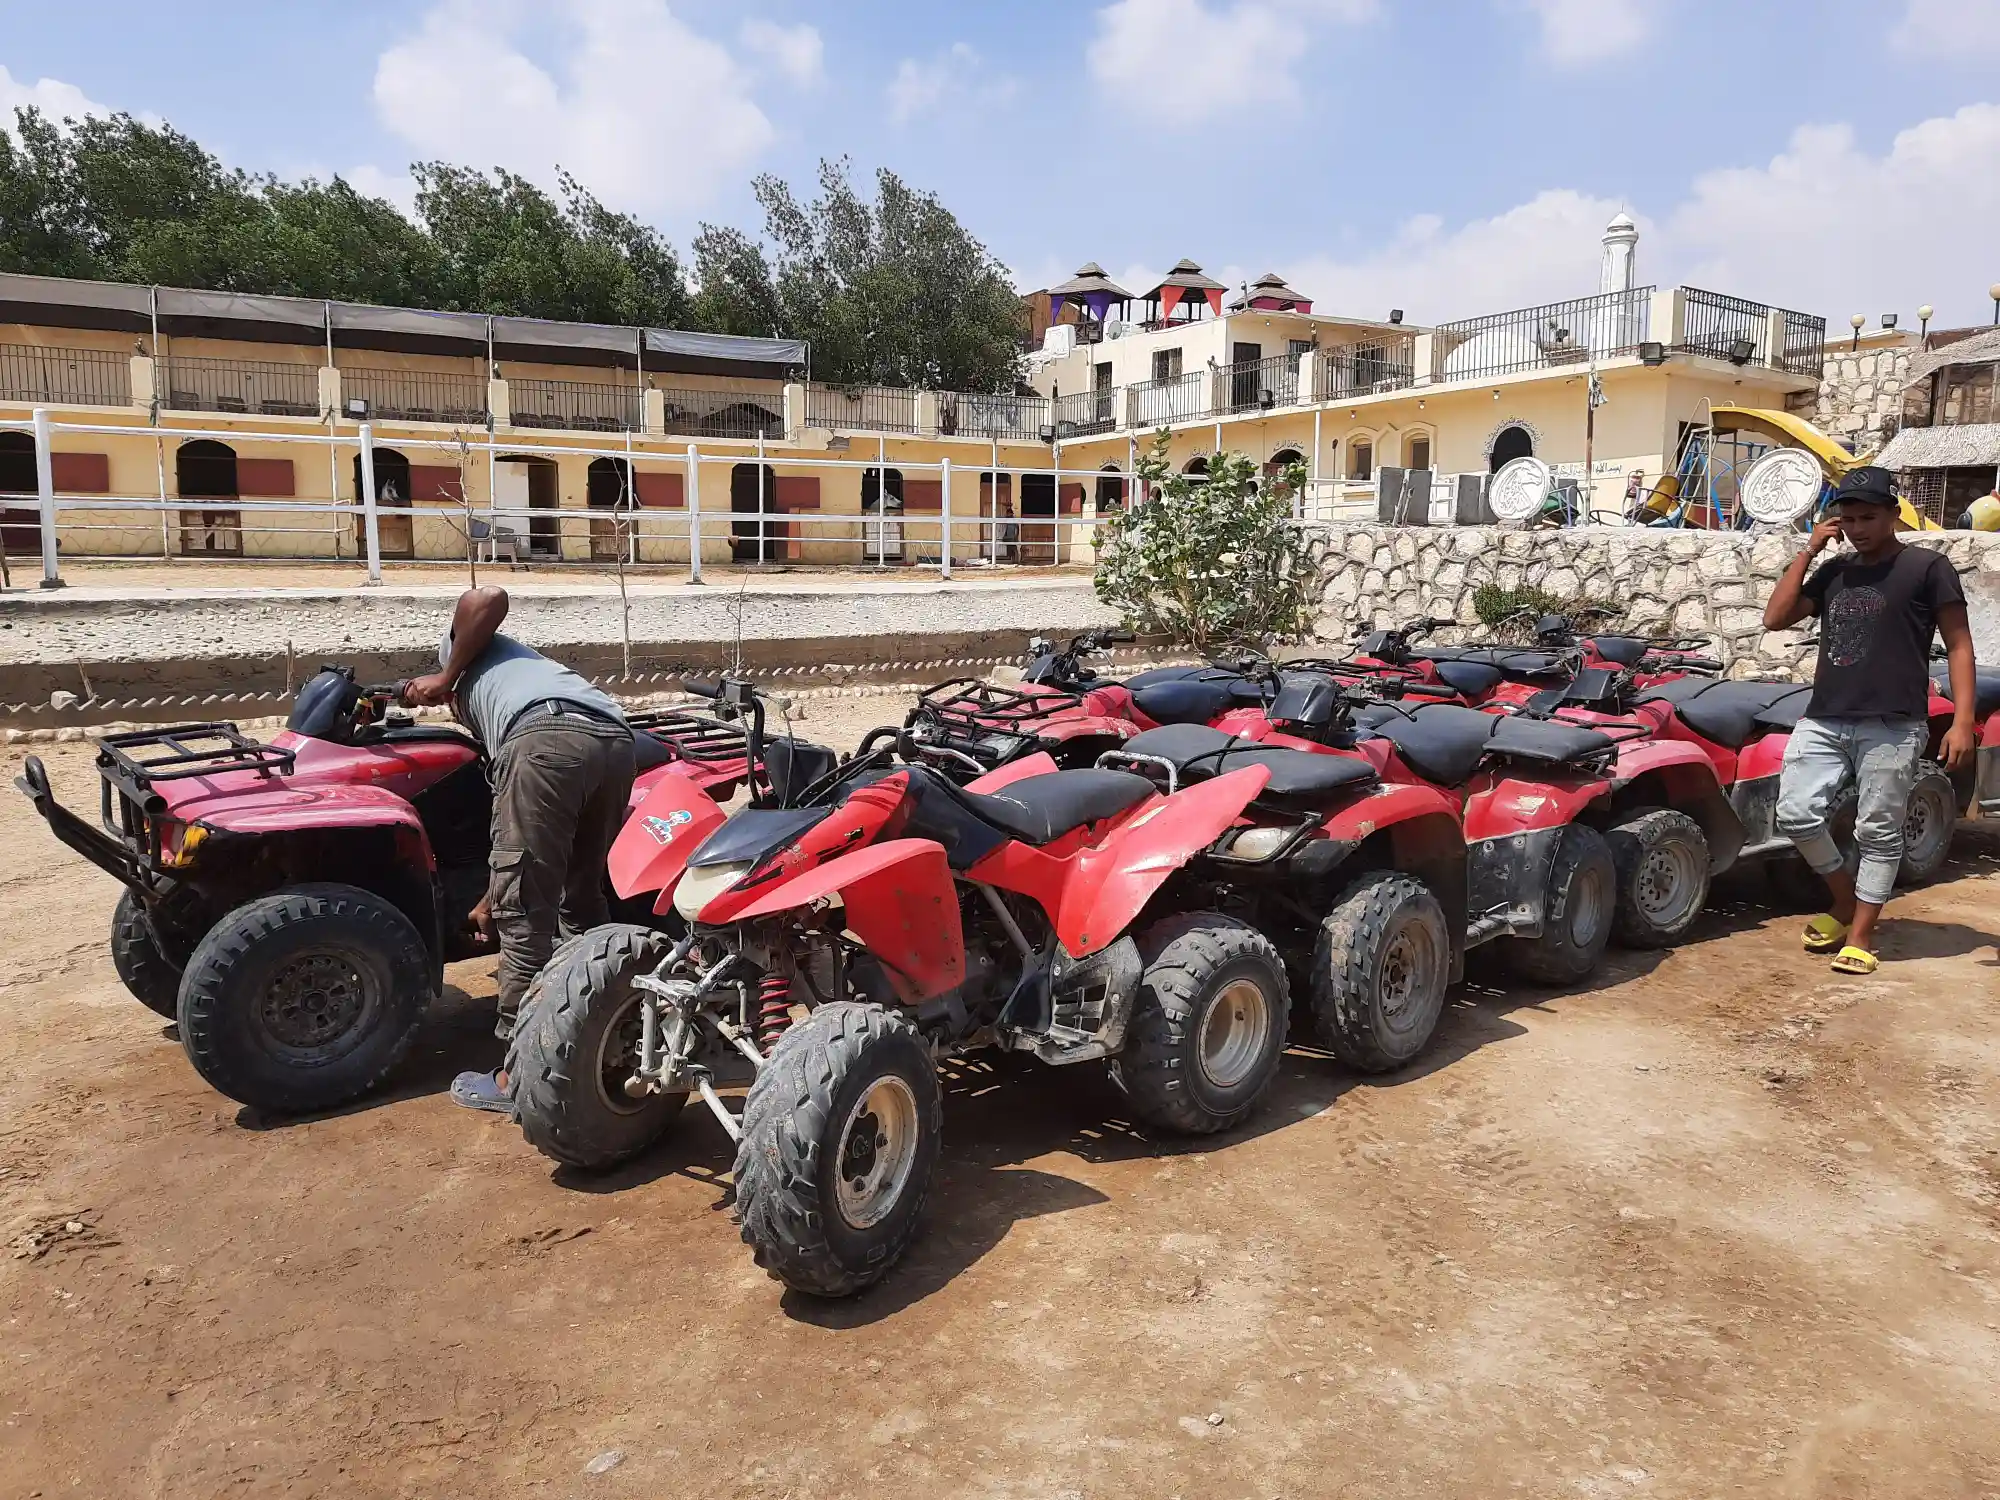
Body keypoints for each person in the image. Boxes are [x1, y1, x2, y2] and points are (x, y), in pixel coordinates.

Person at [402, 586, 635, 1111]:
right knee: (580, 898)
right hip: (614, 740)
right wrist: (490, 896)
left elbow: (488, 596)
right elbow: (527, 849)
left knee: (525, 914)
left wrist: (443, 676)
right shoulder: (527, 670)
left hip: (546, 737)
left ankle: (518, 1074)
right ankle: (605, 1039)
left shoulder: (465, 654)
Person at [1762, 466, 1976, 975]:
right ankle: (1844, 900)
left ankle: (1860, 936)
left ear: (1893, 515)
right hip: (1826, 716)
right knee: (1795, 814)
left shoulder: (1927, 567)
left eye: (1868, 517)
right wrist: (1809, 550)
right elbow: (1775, 618)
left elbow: (1960, 645)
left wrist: (1962, 721)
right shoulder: (1836, 571)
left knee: (1877, 830)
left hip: (1892, 722)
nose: (1857, 528)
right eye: (1849, 518)